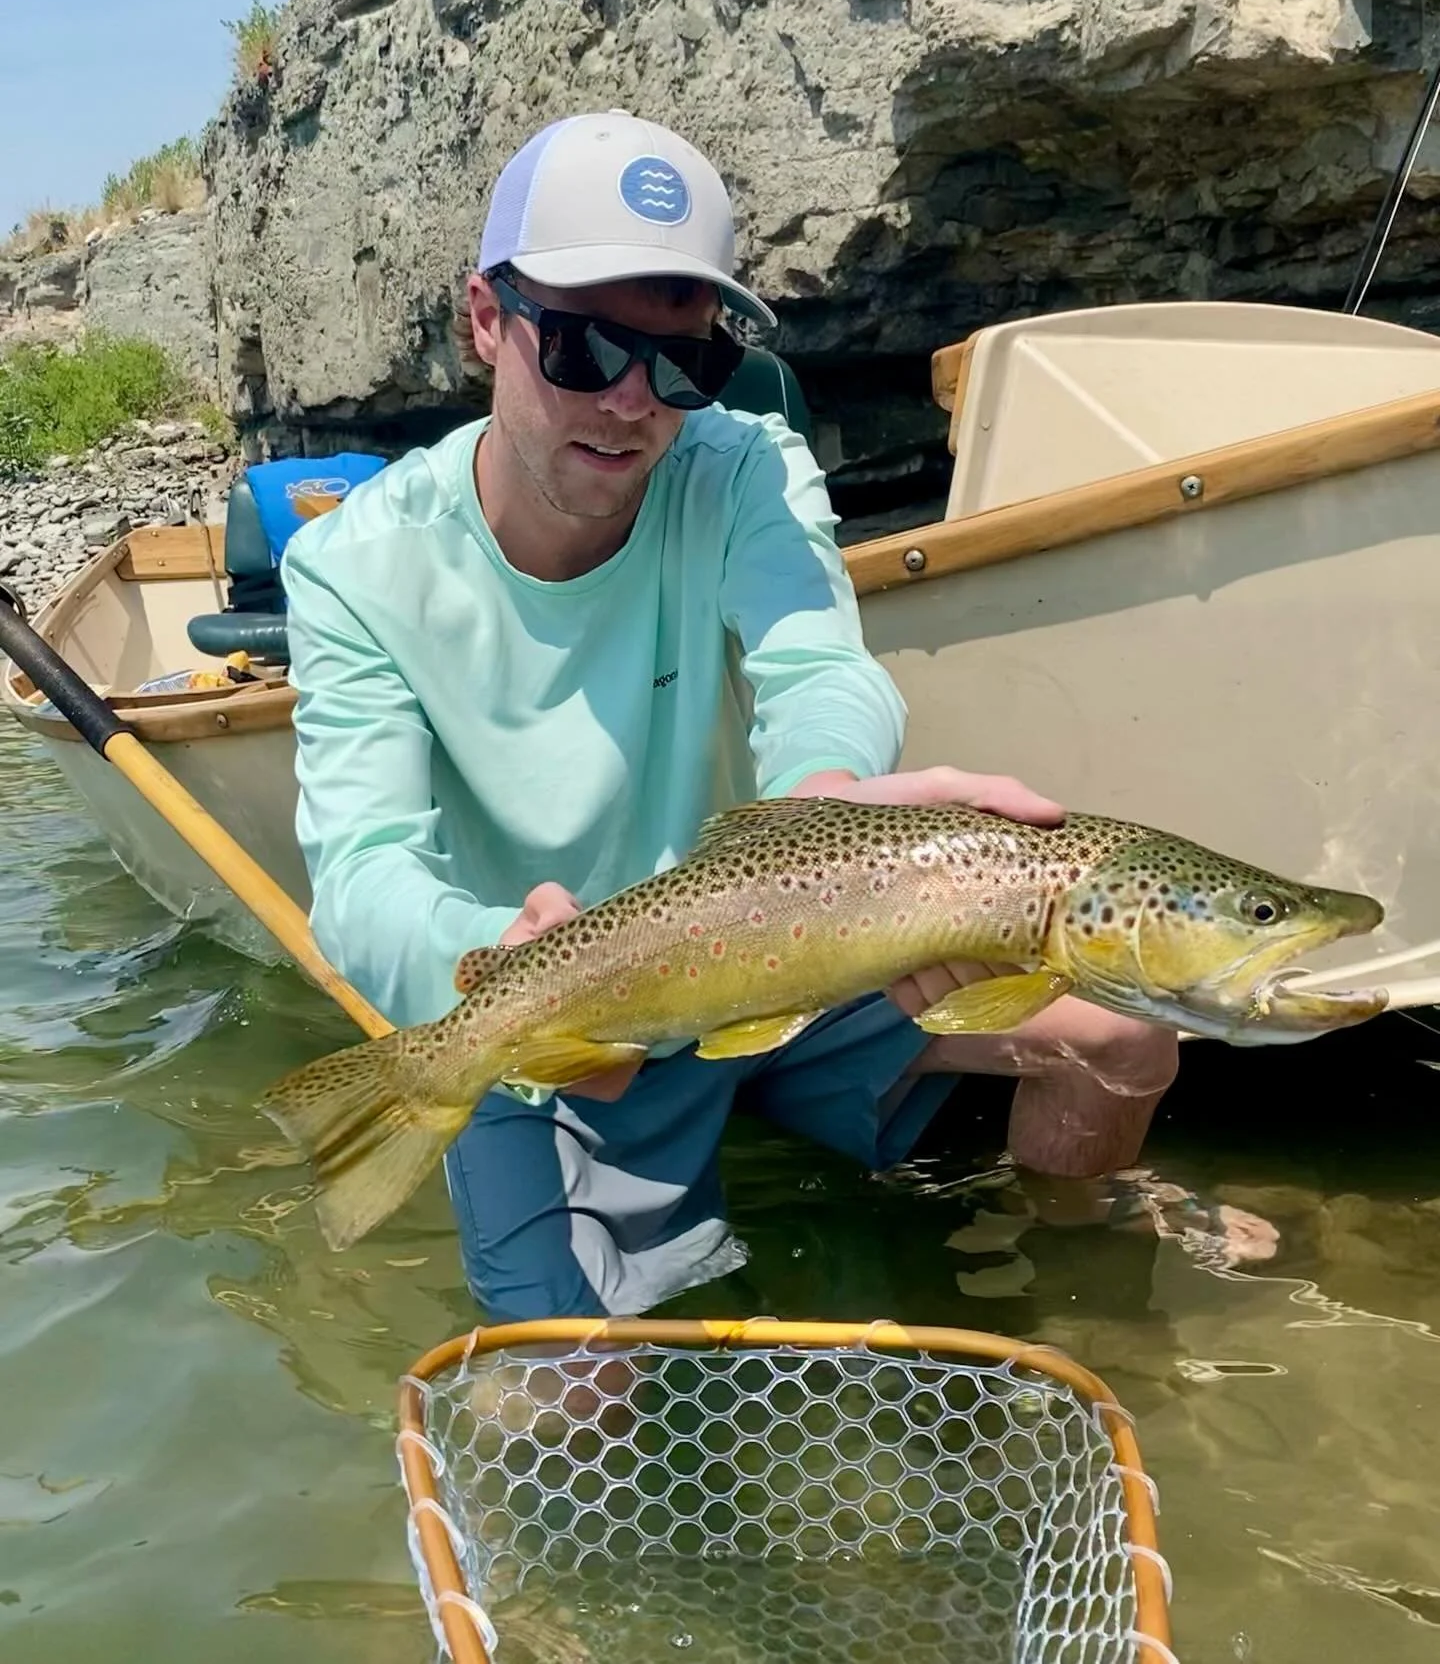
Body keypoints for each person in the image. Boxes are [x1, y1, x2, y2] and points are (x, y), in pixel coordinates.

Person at [278, 108, 1186, 1322]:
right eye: (590, 351)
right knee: (560, 1407)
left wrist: (829, 815)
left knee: (1123, 1041)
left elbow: (820, 671)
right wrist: (486, 955)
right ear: (486, 319)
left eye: (686, 362)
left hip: (790, 945)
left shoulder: (747, 461)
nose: (636, 405)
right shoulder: (352, 569)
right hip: (560, 1011)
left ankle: (1080, 1288)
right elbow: (365, 875)